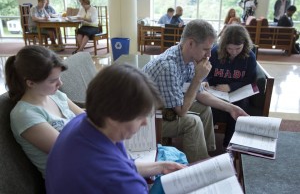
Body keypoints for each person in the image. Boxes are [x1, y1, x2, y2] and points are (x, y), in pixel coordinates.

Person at [45, 63, 185, 193]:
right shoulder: (121, 182)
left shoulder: (81, 122)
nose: (145, 123)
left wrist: (160, 167)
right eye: (140, 116)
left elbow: (125, 164)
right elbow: (118, 174)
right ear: (113, 117)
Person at [143, 19, 248, 163]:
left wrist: (231, 108)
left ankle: (205, 152)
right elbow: (181, 111)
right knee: (193, 122)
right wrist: (198, 78)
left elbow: (200, 93)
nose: (209, 54)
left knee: (205, 108)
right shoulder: (168, 66)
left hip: (164, 107)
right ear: (190, 43)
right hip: (146, 118)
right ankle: (198, 163)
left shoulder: (188, 57)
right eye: (206, 49)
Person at [4, 45, 84, 177]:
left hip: (86, 165)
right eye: (53, 80)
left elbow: (87, 118)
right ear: (30, 83)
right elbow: (68, 151)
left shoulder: (55, 95)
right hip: (69, 179)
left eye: (59, 77)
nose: (60, 84)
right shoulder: (24, 115)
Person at [205, 24, 257, 147]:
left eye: (238, 48)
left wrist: (230, 87)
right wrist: (206, 82)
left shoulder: (250, 57)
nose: (234, 52)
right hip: (216, 91)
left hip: (238, 93)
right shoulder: (214, 52)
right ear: (224, 46)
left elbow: (250, 80)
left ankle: (229, 145)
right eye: (230, 49)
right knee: (210, 108)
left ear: (244, 44)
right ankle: (208, 143)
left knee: (240, 108)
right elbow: (205, 72)